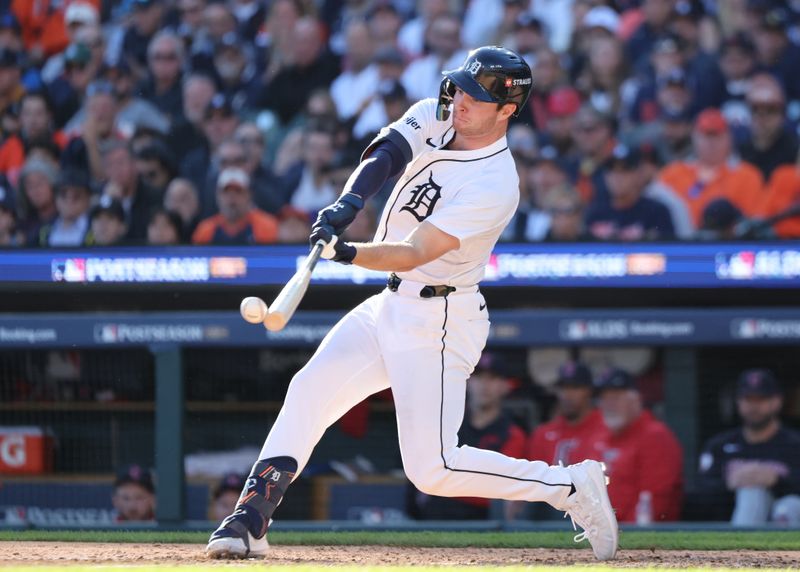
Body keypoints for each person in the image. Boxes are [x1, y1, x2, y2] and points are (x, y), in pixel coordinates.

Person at [206, 46, 618, 562]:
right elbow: (385, 156)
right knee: (309, 389)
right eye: (461, 88)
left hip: (440, 318)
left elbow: (417, 250)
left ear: (507, 109)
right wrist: (348, 205)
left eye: (477, 96)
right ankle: (249, 518)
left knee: (434, 469)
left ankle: (570, 487)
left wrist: (348, 251)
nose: (461, 100)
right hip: (390, 305)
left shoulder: (496, 182)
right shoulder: (434, 114)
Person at [407, 352, 527, 520]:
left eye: (492, 378)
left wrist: (445, 481)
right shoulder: (445, 424)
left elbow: (497, 488)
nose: (484, 385)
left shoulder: (512, 434)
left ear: (505, 386)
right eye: (478, 377)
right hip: (433, 516)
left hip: (481, 521)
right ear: (468, 381)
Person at [694, 369, 800, 525]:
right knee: (752, 491)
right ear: (738, 402)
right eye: (748, 399)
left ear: (777, 402)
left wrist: (776, 480)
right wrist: (729, 483)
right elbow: (698, 495)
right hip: (731, 523)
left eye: (761, 399)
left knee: (789, 506)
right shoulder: (720, 445)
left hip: (786, 519)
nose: (753, 406)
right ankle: (743, 548)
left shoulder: (794, 444)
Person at [593, 368, 683, 523]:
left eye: (616, 398)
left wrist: (618, 536)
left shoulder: (655, 436)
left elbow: (654, 502)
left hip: (640, 536)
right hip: (598, 532)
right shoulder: (600, 435)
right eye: (604, 399)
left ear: (636, 400)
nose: (609, 404)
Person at [585, 144, 675, 241]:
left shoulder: (656, 212)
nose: (617, 177)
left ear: (638, 174)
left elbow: (667, 252)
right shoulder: (594, 213)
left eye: (624, 171)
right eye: (611, 170)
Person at [528, 360, 605, 467]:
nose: (567, 395)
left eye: (575, 388)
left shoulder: (607, 428)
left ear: (589, 390)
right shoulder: (543, 434)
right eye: (563, 388)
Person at [192, 167, 279, 245]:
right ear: (217, 196)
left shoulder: (267, 226)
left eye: (238, 191)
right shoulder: (205, 230)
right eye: (226, 192)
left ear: (249, 195)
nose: (231, 198)